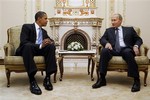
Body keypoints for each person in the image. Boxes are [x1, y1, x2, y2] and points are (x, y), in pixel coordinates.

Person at [92, 13, 143, 92]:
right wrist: (106, 43)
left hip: (125, 49)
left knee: (128, 53)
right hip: (113, 49)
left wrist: (136, 46)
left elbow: (139, 39)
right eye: (111, 20)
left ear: (120, 21)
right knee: (104, 51)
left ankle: (136, 80)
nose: (112, 22)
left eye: (114, 20)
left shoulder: (129, 29)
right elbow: (102, 39)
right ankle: (102, 79)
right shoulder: (108, 30)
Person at [15, 11, 57, 95]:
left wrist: (49, 41)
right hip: (27, 50)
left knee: (51, 46)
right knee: (27, 46)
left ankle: (47, 78)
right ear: (39, 19)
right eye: (45, 19)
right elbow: (24, 42)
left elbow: (50, 40)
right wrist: (40, 45)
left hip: (39, 50)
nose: (47, 20)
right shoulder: (27, 27)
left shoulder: (44, 32)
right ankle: (32, 80)